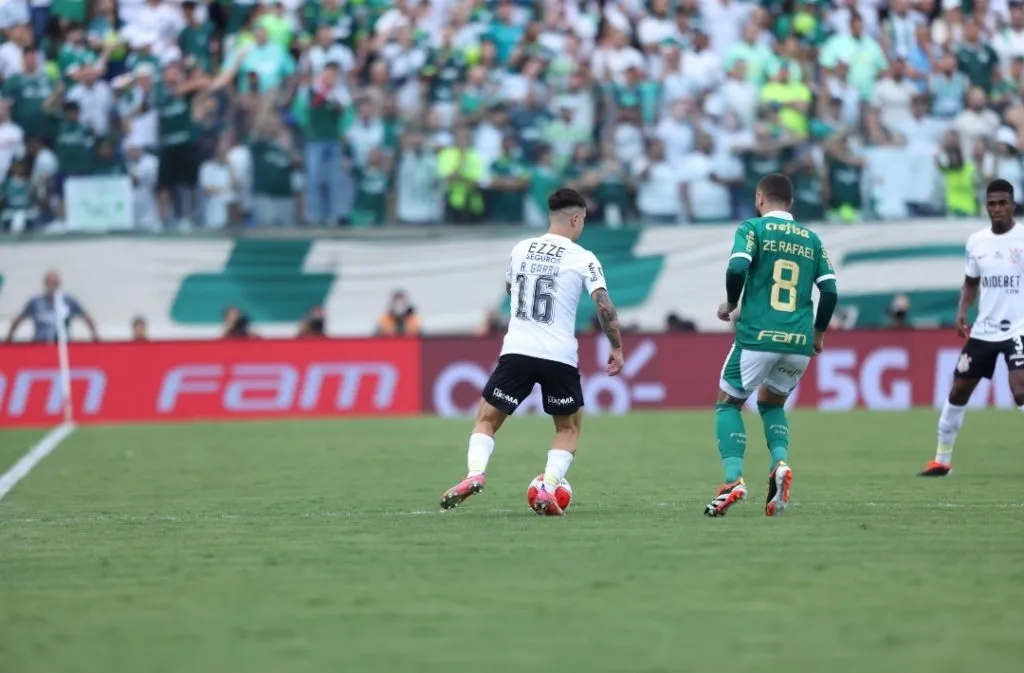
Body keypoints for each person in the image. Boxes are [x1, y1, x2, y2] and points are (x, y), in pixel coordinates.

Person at [439, 188, 625, 516]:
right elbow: (603, 305)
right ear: (576, 218)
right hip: (559, 355)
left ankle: (475, 474)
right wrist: (617, 347)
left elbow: (511, 289)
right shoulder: (583, 257)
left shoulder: (520, 249)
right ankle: (549, 486)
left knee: (486, 420)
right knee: (567, 430)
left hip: (517, 350)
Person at [706, 173, 839, 518]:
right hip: (798, 342)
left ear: (759, 198)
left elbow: (737, 267)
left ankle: (733, 480)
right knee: (771, 403)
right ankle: (779, 463)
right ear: (791, 203)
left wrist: (731, 302)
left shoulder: (752, 228)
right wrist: (819, 334)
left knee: (728, 404)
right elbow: (830, 290)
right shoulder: (811, 239)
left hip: (758, 336)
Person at [918, 179, 1024, 477]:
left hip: (1019, 328)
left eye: (1003, 202)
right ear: (986, 206)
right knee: (958, 390)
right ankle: (941, 459)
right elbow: (971, 282)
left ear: (1013, 205)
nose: (998, 208)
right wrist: (962, 311)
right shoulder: (977, 242)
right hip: (985, 329)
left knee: (1020, 389)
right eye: (992, 203)